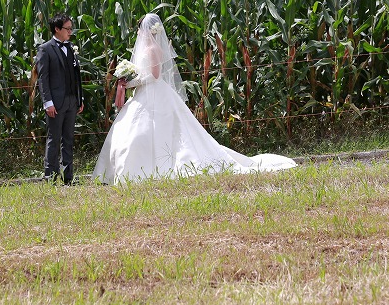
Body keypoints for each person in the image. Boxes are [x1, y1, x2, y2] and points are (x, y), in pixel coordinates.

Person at [93, 13, 296, 184]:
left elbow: (154, 76)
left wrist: (131, 83)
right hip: (146, 94)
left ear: (147, 30)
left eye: (140, 29)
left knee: (151, 131)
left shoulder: (152, 49)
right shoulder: (146, 49)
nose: (138, 34)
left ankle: (145, 169)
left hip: (154, 93)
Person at [36, 12, 84, 184]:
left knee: (68, 139)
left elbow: (76, 75)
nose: (70, 32)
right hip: (55, 102)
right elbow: (43, 79)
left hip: (72, 100)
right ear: (57, 29)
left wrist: (80, 98)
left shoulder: (70, 48)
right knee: (54, 139)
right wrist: (47, 102)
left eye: (71, 28)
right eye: (67, 29)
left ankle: (68, 177)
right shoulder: (45, 49)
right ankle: (50, 177)